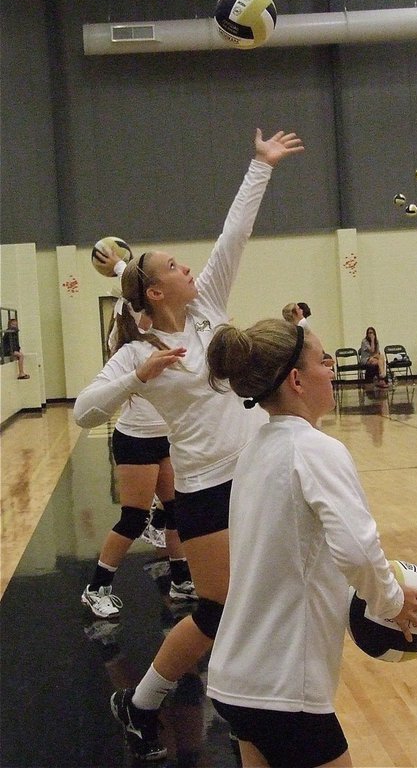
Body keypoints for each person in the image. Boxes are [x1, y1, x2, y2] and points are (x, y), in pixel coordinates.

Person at [73, 128, 304, 761]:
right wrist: (134, 379)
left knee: (270, 591)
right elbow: (84, 415)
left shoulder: (210, 305)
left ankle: (253, 702)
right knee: (213, 609)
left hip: (259, 469)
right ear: (154, 291)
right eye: (175, 266)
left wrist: (261, 166)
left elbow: (234, 235)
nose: (189, 268)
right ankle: (140, 701)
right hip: (206, 489)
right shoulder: (137, 352)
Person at [204, 318, 417, 768]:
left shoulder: (253, 451)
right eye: (323, 361)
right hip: (282, 689)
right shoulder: (315, 450)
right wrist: (391, 601)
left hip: (236, 676)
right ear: (296, 380)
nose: (331, 369)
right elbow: (356, 549)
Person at [81, 252, 195, 620]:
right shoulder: (132, 352)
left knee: (176, 512)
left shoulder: (177, 334)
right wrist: (120, 268)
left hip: (167, 438)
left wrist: (120, 264)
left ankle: (180, 579)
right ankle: (96, 587)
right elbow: (84, 409)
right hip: (136, 439)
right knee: (133, 518)